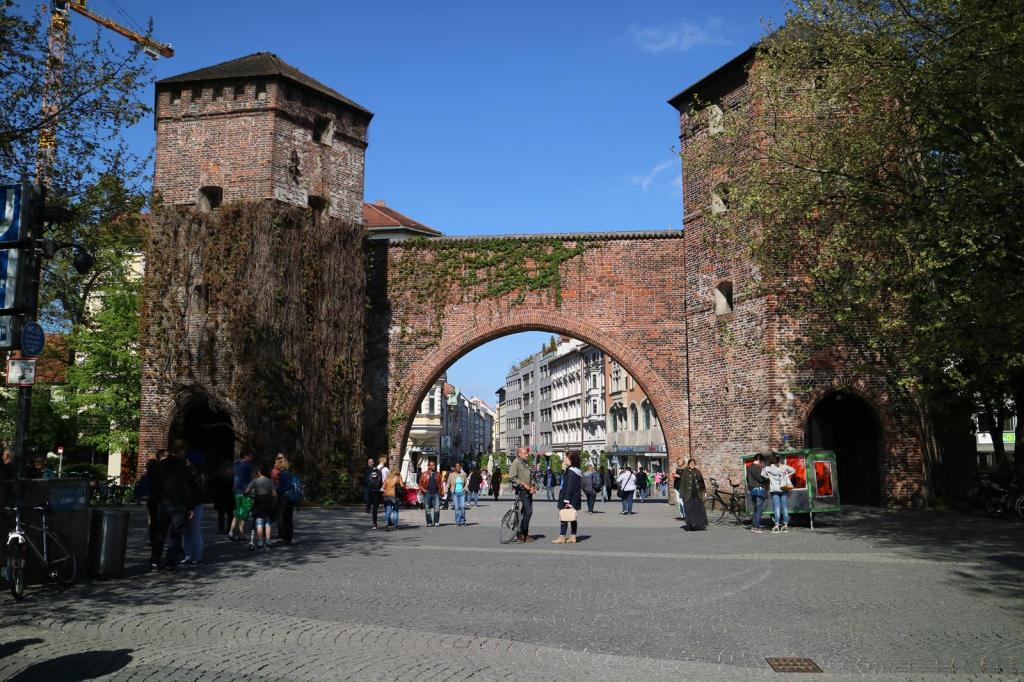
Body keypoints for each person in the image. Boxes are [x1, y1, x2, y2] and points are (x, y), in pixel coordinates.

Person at [150, 445, 200, 571]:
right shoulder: (183, 467)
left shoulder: (160, 465)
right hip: (179, 504)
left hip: (163, 503)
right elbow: (188, 488)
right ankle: (170, 562)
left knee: (160, 533)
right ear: (181, 451)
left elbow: (154, 485)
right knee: (176, 534)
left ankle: (155, 561)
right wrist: (190, 506)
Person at [180, 441, 206, 566]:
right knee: (193, 532)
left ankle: (192, 556)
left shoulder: (191, 474)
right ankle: (193, 556)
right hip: (195, 504)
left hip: (191, 504)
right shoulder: (199, 474)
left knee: (190, 532)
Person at [507, 446, 536, 542]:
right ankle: (522, 533)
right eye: (525, 453)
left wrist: (532, 485)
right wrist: (523, 484)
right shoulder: (516, 462)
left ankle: (523, 533)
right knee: (528, 511)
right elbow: (512, 477)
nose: (527, 455)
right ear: (519, 454)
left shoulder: (526, 463)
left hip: (528, 490)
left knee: (526, 512)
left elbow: (532, 476)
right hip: (521, 490)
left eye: (527, 453)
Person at [762, 454, 797, 533]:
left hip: (774, 490)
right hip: (783, 489)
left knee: (777, 508)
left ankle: (776, 525)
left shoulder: (768, 468)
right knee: (784, 508)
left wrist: (769, 477)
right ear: (778, 460)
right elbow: (793, 470)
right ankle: (785, 525)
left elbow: (762, 474)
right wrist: (787, 475)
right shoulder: (784, 467)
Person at [245, 462, 276, 550]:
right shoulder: (270, 481)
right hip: (268, 501)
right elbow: (274, 493)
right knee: (267, 523)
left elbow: (247, 491)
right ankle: (268, 542)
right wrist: (272, 498)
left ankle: (260, 542)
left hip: (258, 501)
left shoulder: (255, 481)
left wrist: (248, 494)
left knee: (259, 523)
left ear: (259, 472)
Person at [554, 453, 583, 543]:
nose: (564, 459)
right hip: (574, 498)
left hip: (567, 497)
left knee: (564, 516)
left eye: (565, 458)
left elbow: (569, 487)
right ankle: (573, 536)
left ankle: (562, 536)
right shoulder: (575, 471)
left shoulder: (571, 472)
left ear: (571, 460)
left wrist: (567, 501)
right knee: (572, 517)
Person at [228, 451, 255, 541]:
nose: (252, 457)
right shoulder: (249, 465)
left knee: (237, 513)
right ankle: (241, 535)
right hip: (245, 492)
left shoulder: (235, 465)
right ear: (245, 456)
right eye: (250, 455)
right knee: (243, 514)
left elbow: (233, 476)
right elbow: (252, 479)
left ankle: (231, 532)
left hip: (237, 491)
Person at [679, 458, 708, 531]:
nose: (692, 465)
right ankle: (691, 524)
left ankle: (699, 524)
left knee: (698, 510)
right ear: (688, 464)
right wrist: (681, 494)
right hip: (689, 495)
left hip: (697, 494)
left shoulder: (698, 472)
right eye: (691, 464)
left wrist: (704, 491)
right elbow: (682, 484)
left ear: (695, 464)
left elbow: (702, 482)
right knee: (690, 510)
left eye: (693, 464)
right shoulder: (685, 473)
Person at [275, 454, 297, 544]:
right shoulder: (288, 473)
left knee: (286, 518)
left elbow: (286, 487)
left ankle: (287, 539)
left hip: (285, 499)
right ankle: (288, 538)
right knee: (288, 518)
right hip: (289, 498)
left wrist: (277, 489)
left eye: (277, 463)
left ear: (281, 465)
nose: (275, 465)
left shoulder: (283, 474)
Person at [746, 453, 768, 534]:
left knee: (756, 509)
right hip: (759, 489)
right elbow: (761, 479)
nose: (761, 463)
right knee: (759, 509)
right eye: (761, 461)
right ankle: (756, 527)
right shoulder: (756, 468)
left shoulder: (749, 468)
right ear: (759, 460)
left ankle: (753, 526)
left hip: (752, 490)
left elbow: (747, 480)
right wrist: (766, 479)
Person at [211, 461, 235, 534]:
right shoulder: (231, 476)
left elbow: (212, 486)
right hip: (229, 496)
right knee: (230, 514)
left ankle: (221, 528)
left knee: (221, 514)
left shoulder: (217, 475)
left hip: (220, 497)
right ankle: (229, 529)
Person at [418, 459, 443, 527]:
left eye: (434, 465)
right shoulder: (424, 474)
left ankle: (436, 522)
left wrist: (441, 491)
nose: (434, 466)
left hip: (436, 493)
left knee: (437, 508)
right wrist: (423, 490)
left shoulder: (438, 474)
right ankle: (429, 522)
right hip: (427, 493)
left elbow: (440, 483)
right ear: (429, 466)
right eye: (432, 465)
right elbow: (420, 483)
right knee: (427, 508)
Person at [449, 462, 469, 526]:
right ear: (455, 467)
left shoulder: (463, 474)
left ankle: (463, 520)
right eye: (457, 466)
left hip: (462, 493)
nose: (458, 468)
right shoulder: (451, 475)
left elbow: (466, 483)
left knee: (462, 507)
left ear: (460, 467)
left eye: (459, 466)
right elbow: (448, 483)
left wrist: (465, 488)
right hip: (455, 493)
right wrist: (445, 490)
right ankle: (458, 521)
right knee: (457, 508)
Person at [670, 457, 686, 521]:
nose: (678, 463)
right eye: (677, 462)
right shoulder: (678, 469)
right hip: (676, 486)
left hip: (682, 486)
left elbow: (686, 478)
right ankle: (682, 515)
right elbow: (676, 477)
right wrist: (674, 475)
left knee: (682, 501)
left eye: (679, 462)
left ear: (682, 462)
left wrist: (678, 476)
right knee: (678, 501)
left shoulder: (685, 469)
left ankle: (686, 515)